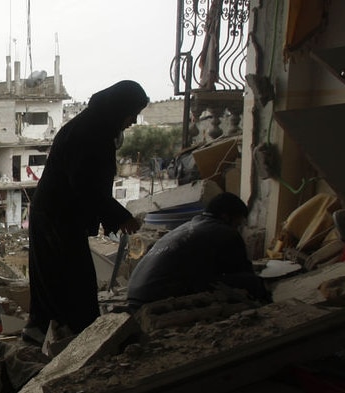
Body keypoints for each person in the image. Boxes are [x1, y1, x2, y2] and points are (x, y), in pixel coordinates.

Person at [24, 80, 149, 344]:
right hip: (58, 217)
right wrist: (120, 217)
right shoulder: (91, 133)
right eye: (132, 113)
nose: (133, 120)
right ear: (120, 108)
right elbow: (84, 185)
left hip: (55, 213)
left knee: (53, 278)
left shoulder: (92, 126)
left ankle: (46, 331)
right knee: (73, 281)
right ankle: (83, 340)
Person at [126, 192, 270, 311]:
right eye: (238, 224)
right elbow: (243, 271)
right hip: (156, 297)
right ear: (226, 217)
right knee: (252, 282)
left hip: (135, 294)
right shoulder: (225, 232)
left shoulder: (187, 227)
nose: (238, 228)